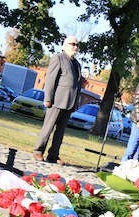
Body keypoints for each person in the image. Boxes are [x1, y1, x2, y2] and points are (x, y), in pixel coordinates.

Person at [33, 35, 83, 165]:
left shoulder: (77, 64)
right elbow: (50, 79)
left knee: (60, 132)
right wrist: (48, 98)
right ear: (65, 45)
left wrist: (76, 102)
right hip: (56, 100)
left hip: (69, 103)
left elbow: (77, 84)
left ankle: (53, 155)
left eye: (77, 45)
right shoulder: (58, 58)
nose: (75, 47)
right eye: (73, 44)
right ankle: (38, 150)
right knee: (48, 128)